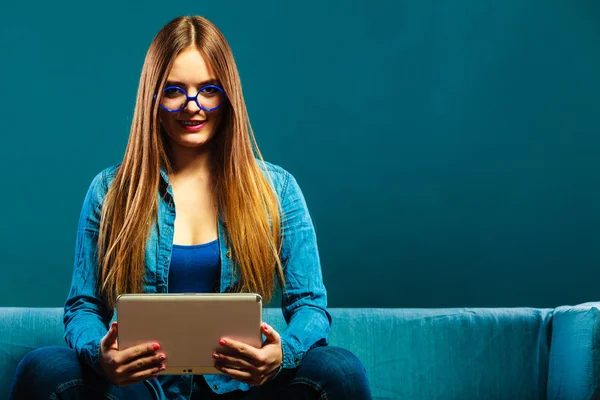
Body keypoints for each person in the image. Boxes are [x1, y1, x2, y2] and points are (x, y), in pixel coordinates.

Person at [9, 15, 371, 400]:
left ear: (228, 95)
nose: (192, 106)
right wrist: (101, 355)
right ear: (153, 96)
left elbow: (311, 306)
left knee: (340, 369)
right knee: (43, 367)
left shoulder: (276, 189)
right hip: (142, 388)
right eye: (174, 90)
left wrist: (283, 353)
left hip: (244, 387)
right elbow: (83, 305)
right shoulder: (109, 191)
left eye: (208, 90)